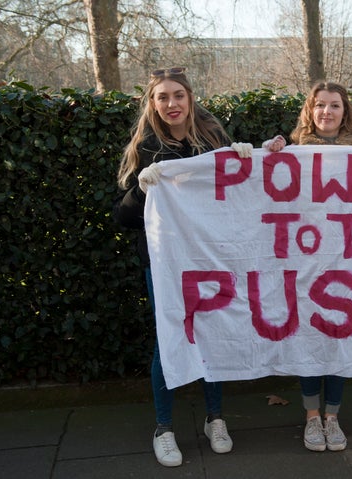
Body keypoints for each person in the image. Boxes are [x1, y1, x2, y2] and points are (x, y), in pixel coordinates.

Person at [112, 67, 253, 467]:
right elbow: (121, 219)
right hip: (165, 263)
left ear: (190, 98)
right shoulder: (145, 149)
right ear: (152, 103)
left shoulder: (213, 141)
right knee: (169, 340)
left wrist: (246, 162)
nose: (171, 104)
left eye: (178, 95)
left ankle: (216, 418)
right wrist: (141, 190)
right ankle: (164, 427)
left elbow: (242, 204)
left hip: (210, 258)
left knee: (213, 336)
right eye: (162, 97)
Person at [262, 81, 352, 452]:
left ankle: (333, 417)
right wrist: (271, 150)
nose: (327, 112)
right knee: (308, 339)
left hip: (348, 262)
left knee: (340, 337)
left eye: (334, 105)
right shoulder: (294, 153)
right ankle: (311, 419)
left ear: (345, 111)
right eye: (319, 105)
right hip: (305, 263)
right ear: (310, 111)